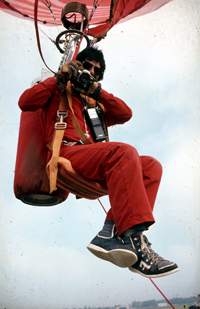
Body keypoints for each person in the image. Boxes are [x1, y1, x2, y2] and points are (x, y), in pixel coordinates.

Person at [18, 46, 179, 278]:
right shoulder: (57, 92)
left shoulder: (94, 103)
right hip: (67, 155)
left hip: (95, 160)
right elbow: (26, 102)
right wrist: (60, 79)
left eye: (97, 70)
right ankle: (134, 239)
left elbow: (125, 114)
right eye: (87, 65)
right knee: (123, 152)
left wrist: (96, 91)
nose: (91, 71)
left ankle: (110, 233)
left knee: (152, 166)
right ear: (77, 64)